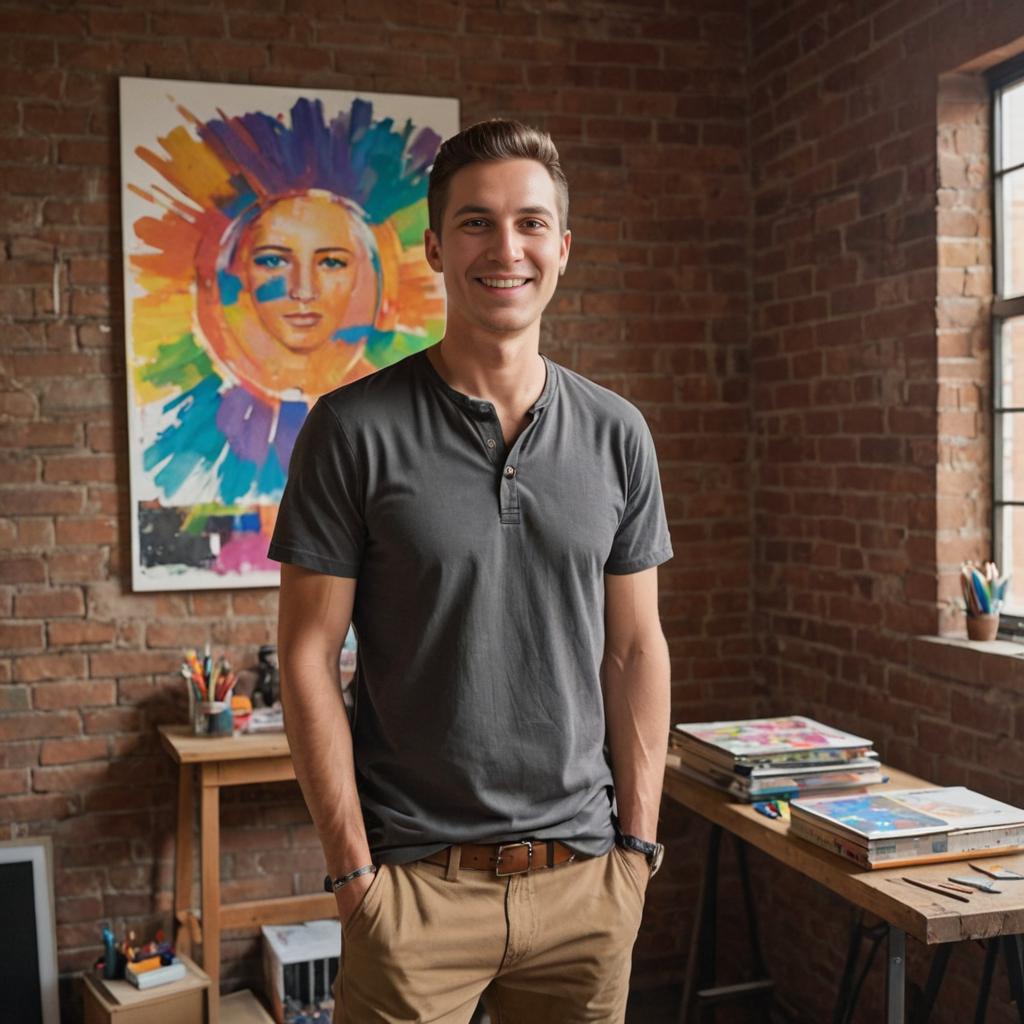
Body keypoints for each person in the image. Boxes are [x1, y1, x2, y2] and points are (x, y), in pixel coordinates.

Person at [268, 119, 673, 1024]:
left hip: (584, 887)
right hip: (413, 890)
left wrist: (638, 851)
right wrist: (352, 876)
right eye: (477, 223)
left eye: (531, 223)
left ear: (562, 247)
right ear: (435, 248)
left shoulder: (618, 435)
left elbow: (637, 649)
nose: (507, 248)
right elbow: (307, 656)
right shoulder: (351, 430)